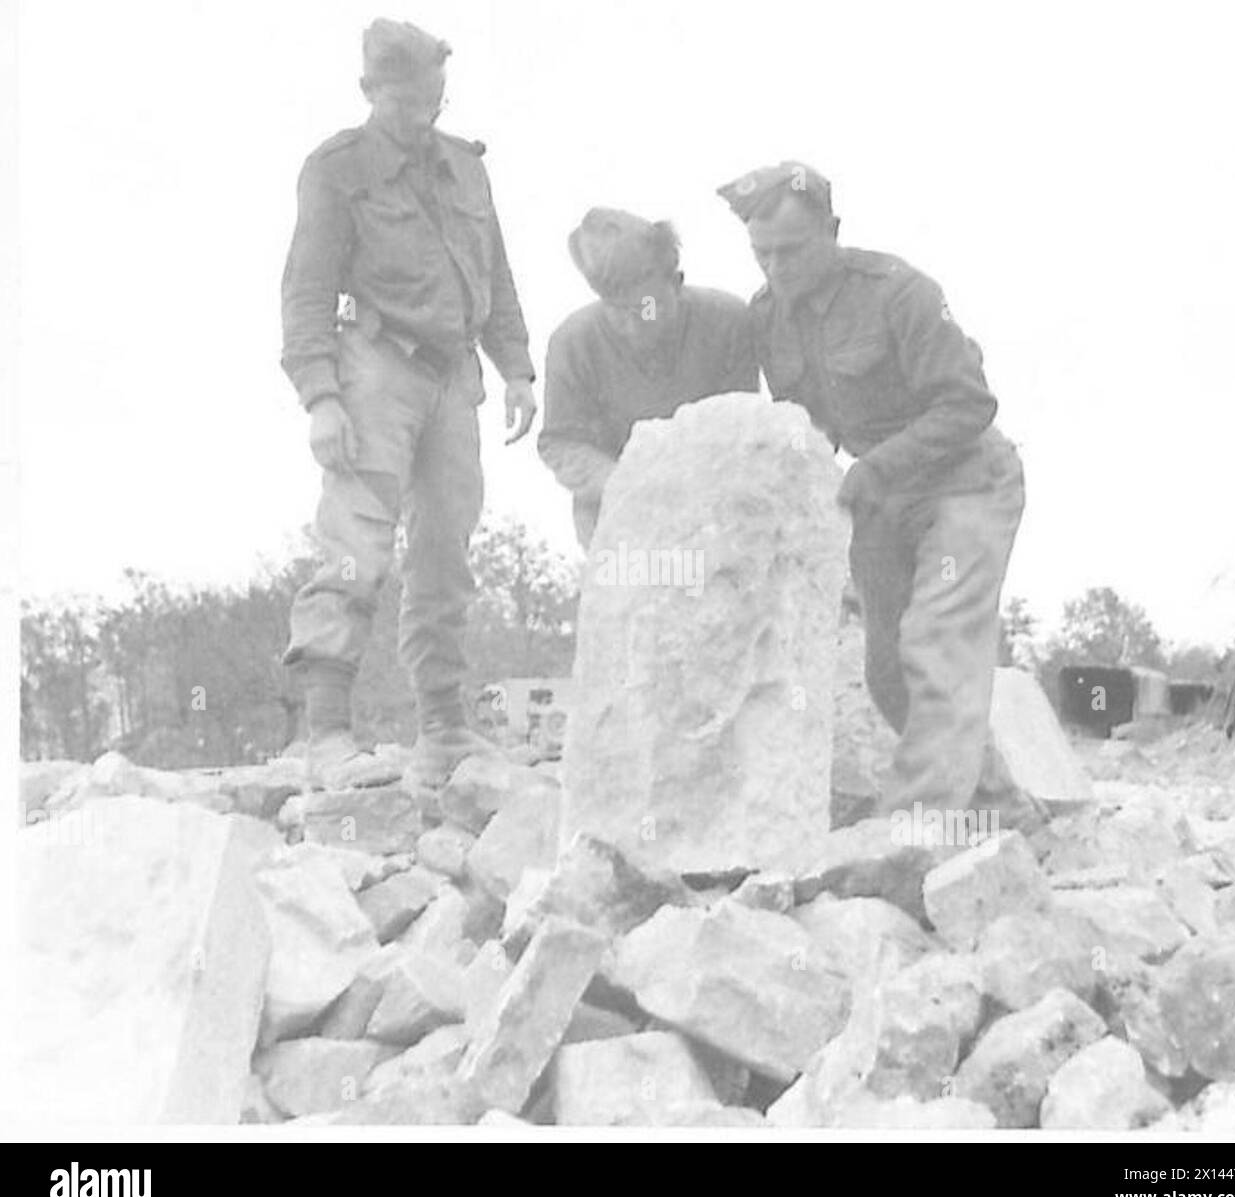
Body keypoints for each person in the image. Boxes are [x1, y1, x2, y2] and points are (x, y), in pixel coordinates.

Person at [718, 161, 1027, 821]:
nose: (777, 267)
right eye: (762, 254)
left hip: (964, 484)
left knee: (936, 642)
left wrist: (877, 466)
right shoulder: (768, 316)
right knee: (890, 673)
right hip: (880, 504)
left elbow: (969, 404)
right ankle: (1000, 806)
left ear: (832, 230)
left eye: (793, 250)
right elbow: (808, 420)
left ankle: (919, 829)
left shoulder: (900, 292)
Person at [280, 19, 537, 788]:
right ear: (369, 91)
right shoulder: (337, 169)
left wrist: (519, 368)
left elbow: (495, 270)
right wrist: (322, 397)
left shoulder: (466, 167)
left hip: (454, 376)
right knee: (356, 541)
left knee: (445, 552)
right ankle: (326, 733)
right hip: (374, 366)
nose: (420, 115)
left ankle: (446, 729)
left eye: (431, 100)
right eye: (403, 101)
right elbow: (307, 290)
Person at [538, 208, 759, 547]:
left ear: (677, 282)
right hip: (618, 516)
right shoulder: (573, 343)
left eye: (646, 308)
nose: (633, 325)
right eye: (616, 310)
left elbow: (743, 426)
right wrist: (624, 483)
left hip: (716, 504)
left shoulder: (727, 321)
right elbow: (561, 442)